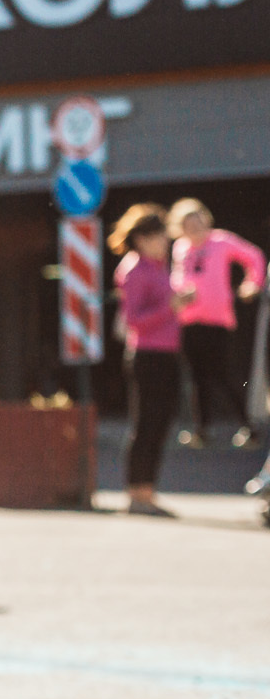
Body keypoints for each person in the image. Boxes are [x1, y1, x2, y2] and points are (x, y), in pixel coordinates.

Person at [168, 197, 264, 449]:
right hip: (189, 320)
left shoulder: (221, 241)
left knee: (221, 374)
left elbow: (254, 256)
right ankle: (201, 430)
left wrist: (251, 284)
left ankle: (248, 427)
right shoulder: (180, 248)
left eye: (197, 221)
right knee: (197, 377)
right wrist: (179, 296)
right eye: (188, 224)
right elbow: (177, 279)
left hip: (217, 320)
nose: (194, 228)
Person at [111, 203, 187, 518]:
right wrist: (172, 306)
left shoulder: (159, 267)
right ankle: (136, 495)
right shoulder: (134, 270)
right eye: (160, 237)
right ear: (143, 238)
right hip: (147, 356)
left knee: (160, 424)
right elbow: (134, 321)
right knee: (146, 424)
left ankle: (148, 492)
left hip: (167, 354)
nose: (165, 242)